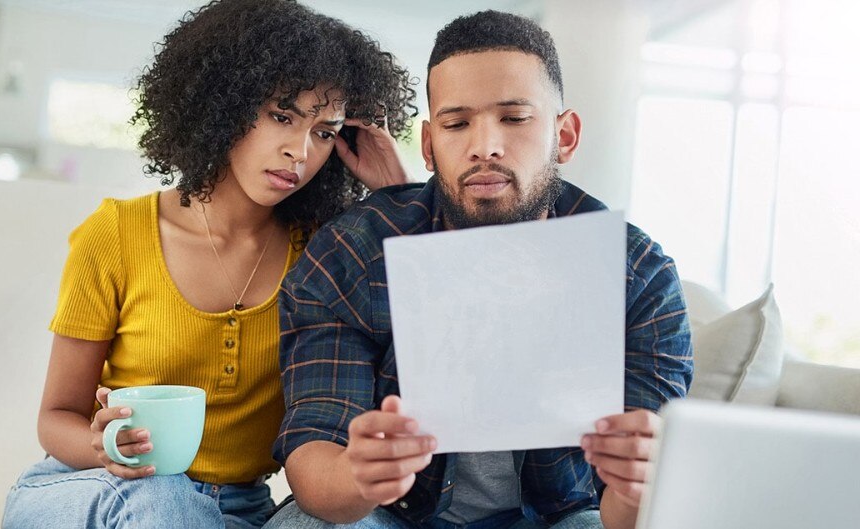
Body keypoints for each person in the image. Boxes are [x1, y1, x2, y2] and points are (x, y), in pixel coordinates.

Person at [267, 10, 693, 529]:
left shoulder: (638, 275)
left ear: (566, 136)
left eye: (514, 119)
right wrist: (358, 473)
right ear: (428, 145)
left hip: (558, 515)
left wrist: (635, 485)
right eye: (456, 123)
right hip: (392, 514)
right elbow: (314, 465)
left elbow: (624, 515)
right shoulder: (354, 251)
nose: (485, 145)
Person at [0, 1, 417, 527]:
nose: (300, 151)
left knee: (361, 520)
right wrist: (106, 444)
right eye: (281, 116)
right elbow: (55, 417)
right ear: (224, 105)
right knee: (165, 501)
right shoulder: (116, 236)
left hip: (240, 507)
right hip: (101, 484)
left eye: (325, 132)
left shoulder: (324, 250)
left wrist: (397, 194)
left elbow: (433, 321)